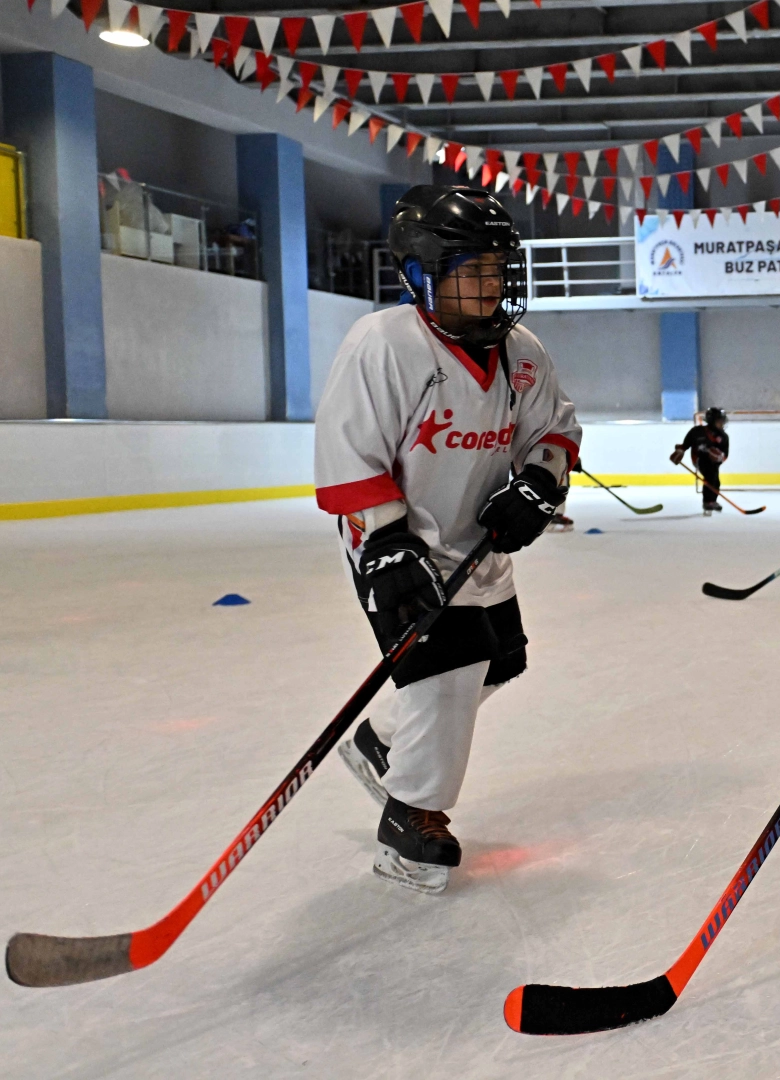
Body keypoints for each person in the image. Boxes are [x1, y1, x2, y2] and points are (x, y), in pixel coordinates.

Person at [315, 185, 580, 895]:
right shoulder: (383, 344)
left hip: (478, 542)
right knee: (449, 673)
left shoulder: (522, 351)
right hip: (402, 541)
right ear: (420, 275)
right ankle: (411, 821)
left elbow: (554, 430)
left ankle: (385, 744)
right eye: (470, 272)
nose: (489, 288)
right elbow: (349, 448)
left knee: (502, 659)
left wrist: (538, 482)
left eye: (497, 271)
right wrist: (386, 539)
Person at [672, 406, 730, 515]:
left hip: (714, 463)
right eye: (719, 421)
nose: (722, 423)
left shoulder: (724, 437)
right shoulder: (697, 432)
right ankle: (708, 502)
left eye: (723, 421)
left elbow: (725, 454)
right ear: (712, 421)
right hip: (699, 459)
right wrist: (679, 452)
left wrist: (719, 457)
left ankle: (712, 500)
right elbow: (685, 445)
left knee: (715, 480)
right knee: (710, 475)